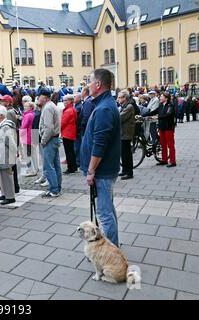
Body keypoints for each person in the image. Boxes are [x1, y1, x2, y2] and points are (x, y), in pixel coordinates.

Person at [80, 68, 121, 247]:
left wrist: (91, 170)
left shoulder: (104, 108)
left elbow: (100, 144)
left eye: (89, 81)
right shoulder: (104, 104)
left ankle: (110, 251)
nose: (87, 85)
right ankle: (114, 246)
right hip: (104, 170)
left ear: (98, 84)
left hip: (102, 171)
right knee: (107, 211)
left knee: (104, 214)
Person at [38, 89, 62, 198]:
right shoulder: (52, 105)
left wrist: (43, 141)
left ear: (45, 97)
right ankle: (57, 188)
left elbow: (49, 128)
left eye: (40, 96)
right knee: (56, 166)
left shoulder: (47, 108)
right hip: (54, 138)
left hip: (50, 139)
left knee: (49, 166)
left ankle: (54, 190)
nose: (38, 98)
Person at [0, 106, 17, 205]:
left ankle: (10, 196)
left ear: (1, 115)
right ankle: (4, 193)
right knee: (1, 174)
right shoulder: (0, 124)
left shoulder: (6, 126)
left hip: (6, 154)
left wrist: (14, 154)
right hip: (0, 154)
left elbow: (10, 142)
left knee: (6, 176)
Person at [0, 95, 20, 194]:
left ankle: (14, 187)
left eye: (3, 101)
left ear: (8, 102)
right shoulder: (11, 110)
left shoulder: (9, 112)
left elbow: (10, 130)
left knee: (11, 168)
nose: (0, 102)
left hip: (10, 141)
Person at [149, 92, 177, 167]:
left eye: (161, 96)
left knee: (170, 145)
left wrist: (157, 117)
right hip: (161, 127)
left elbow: (168, 115)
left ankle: (173, 161)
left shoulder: (170, 106)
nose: (160, 98)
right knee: (163, 144)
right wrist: (144, 114)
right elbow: (154, 112)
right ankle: (164, 160)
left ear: (166, 98)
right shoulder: (161, 105)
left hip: (168, 128)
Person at [117, 90, 135, 180]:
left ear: (124, 98)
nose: (118, 99)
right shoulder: (123, 106)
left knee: (127, 154)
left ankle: (129, 172)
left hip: (126, 133)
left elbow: (120, 118)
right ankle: (124, 170)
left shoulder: (129, 106)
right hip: (122, 133)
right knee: (123, 153)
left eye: (120, 97)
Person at [21, 101, 38, 177]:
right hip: (32, 135)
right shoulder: (33, 114)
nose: (24, 108)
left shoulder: (28, 115)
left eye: (26, 106)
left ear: (31, 107)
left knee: (27, 155)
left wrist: (19, 132)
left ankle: (31, 170)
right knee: (33, 154)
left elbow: (24, 126)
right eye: (24, 106)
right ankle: (35, 168)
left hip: (27, 137)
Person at [61, 94, 78, 174]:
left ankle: (70, 168)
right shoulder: (72, 109)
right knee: (71, 150)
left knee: (68, 151)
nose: (64, 102)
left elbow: (63, 123)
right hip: (70, 132)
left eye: (65, 100)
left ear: (69, 101)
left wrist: (57, 129)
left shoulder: (68, 110)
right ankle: (74, 167)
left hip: (67, 133)